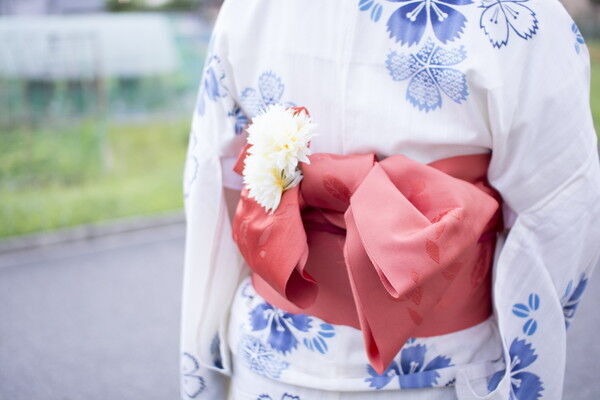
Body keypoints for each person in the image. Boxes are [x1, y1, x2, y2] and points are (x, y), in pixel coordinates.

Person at [180, 1, 600, 399]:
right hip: (449, 365)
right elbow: (559, 209)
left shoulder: (251, 8)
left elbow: (214, 184)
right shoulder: (515, 16)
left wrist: (203, 357)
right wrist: (525, 369)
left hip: (269, 356)